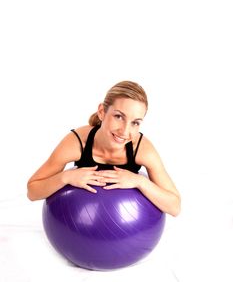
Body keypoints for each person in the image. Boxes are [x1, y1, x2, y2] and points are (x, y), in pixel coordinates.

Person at [27, 80, 181, 216]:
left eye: (135, 122)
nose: (125, 131)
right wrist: (66, 177)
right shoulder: (77, 142)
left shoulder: (142, 149)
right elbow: (32, 192)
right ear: (102, 111)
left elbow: (175, 207)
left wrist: (140, 181)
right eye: (119, 116)